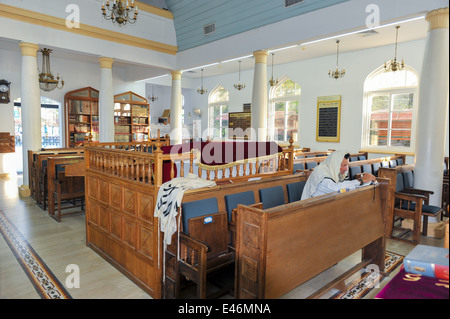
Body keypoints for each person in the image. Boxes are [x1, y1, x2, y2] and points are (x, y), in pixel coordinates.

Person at [301, 151, 377, 200]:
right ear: (335, 164)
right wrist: (360, 180)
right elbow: (336, 189)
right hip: (312, 209)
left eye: (347, 165)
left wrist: (367, 182)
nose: (346, 169)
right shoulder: (321, 172)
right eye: (344, 165)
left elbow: (347, 188)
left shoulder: (333, 171)